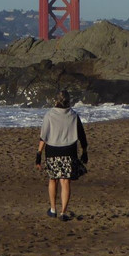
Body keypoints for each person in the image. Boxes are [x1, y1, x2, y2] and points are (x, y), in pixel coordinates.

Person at [35, 89, 88, 221]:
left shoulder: (49, 115)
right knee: (65, 181)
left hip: (52, 151)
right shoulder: (74, 115)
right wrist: (84, 151)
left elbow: (44, 137)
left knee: (53, 179)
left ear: (56, 101)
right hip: (69, 152)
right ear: (69, 101)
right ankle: (63, 212)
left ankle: (53, 209)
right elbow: (82, 136)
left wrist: (38, 154)